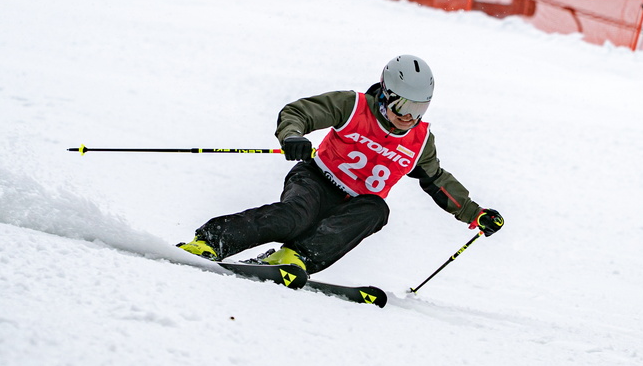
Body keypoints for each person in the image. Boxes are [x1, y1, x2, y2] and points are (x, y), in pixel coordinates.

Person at [178, 54, 503, 286]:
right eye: (403, 106)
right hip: (316, 180)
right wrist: (293, 136)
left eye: (420, 108)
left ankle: (296, 258)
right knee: (295, 217)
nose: (409, 116)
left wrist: (475, 213)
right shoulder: (352, 106)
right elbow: (299, 112)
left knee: (377, 209)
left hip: (355, 204)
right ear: (386, 94)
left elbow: (437, 181)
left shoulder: (419, 140)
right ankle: (212, 241)